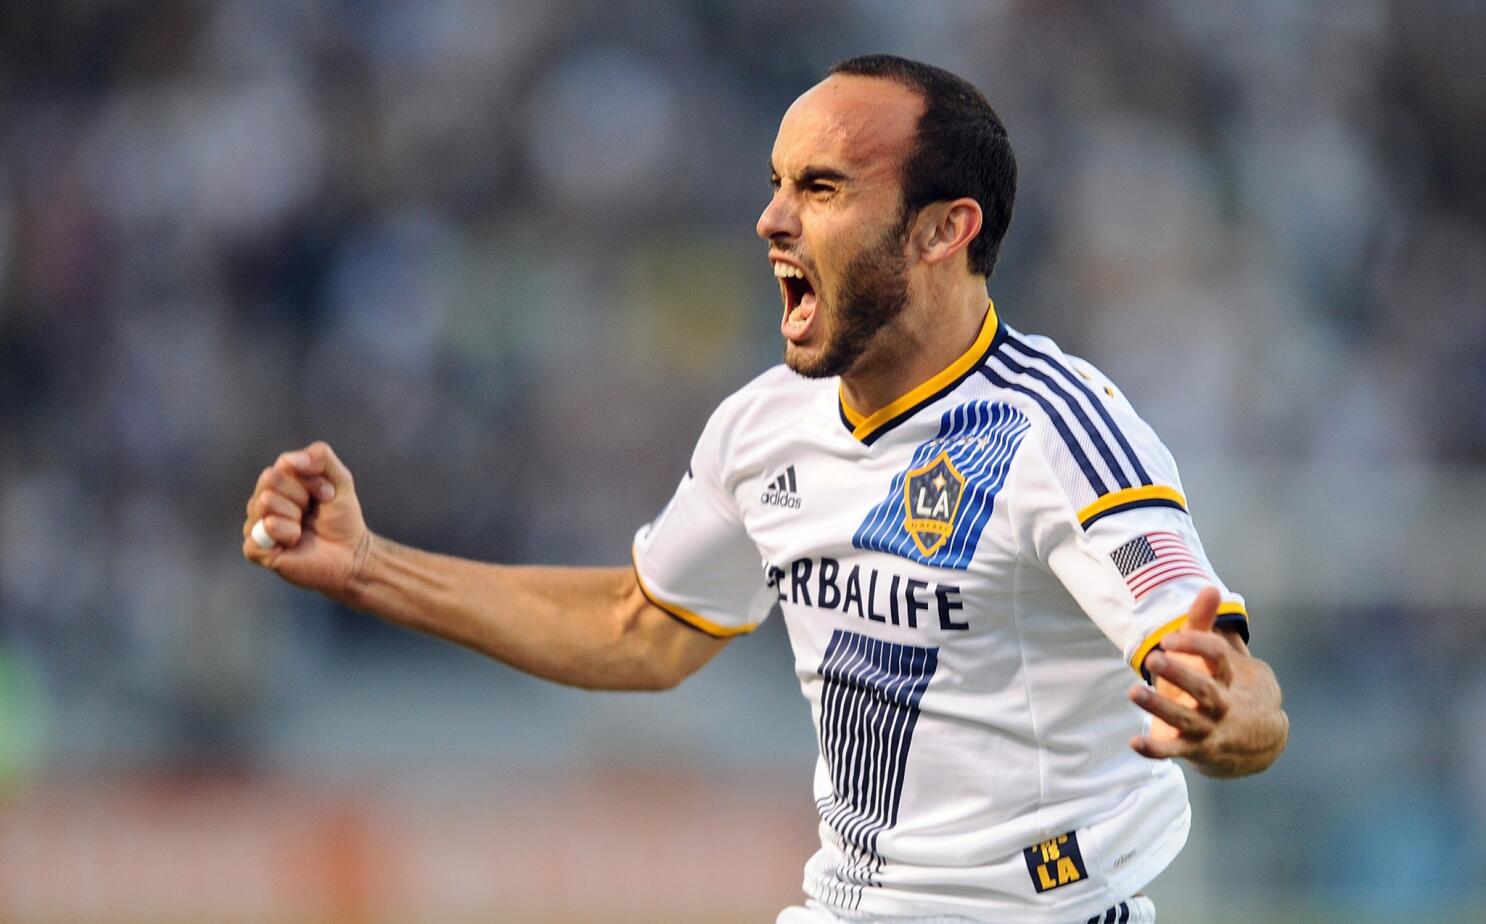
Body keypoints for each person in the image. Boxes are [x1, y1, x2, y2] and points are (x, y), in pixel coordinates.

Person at [243, 54, 1287, 924]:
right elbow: (641, 629)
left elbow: (1221, 674)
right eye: (778, 182)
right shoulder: (764, 426)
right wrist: (368, 568)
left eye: (821, 189)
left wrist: (1234, 719)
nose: (769, 219)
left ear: (941, 230)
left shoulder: (1059, 433)